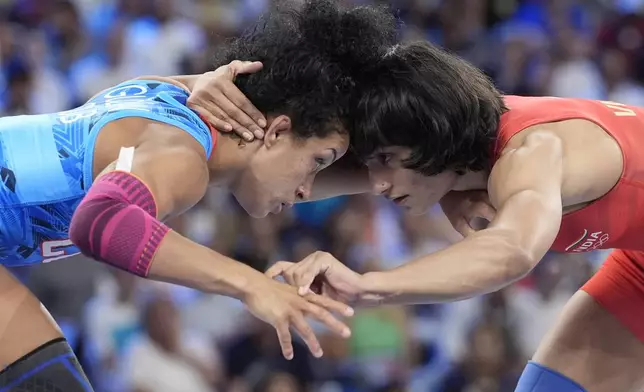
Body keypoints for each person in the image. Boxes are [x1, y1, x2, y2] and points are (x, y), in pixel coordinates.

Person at [0, 1, 397, 389]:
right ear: (275, 131)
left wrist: (418, 174)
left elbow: (351, 167)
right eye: (317, 163)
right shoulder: (184, 158)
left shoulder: (175, 97)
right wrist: (250, 283)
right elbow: (99, 220)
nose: (308, 190)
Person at [216, 40, 644, 392]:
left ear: (435, 136)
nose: (377, 184)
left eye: (386, 159)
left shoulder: (534, 153)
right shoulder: (437, 151)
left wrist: (370, 287)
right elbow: (266, 165)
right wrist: (191, 92)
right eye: (372, 162)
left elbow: (513, 251)